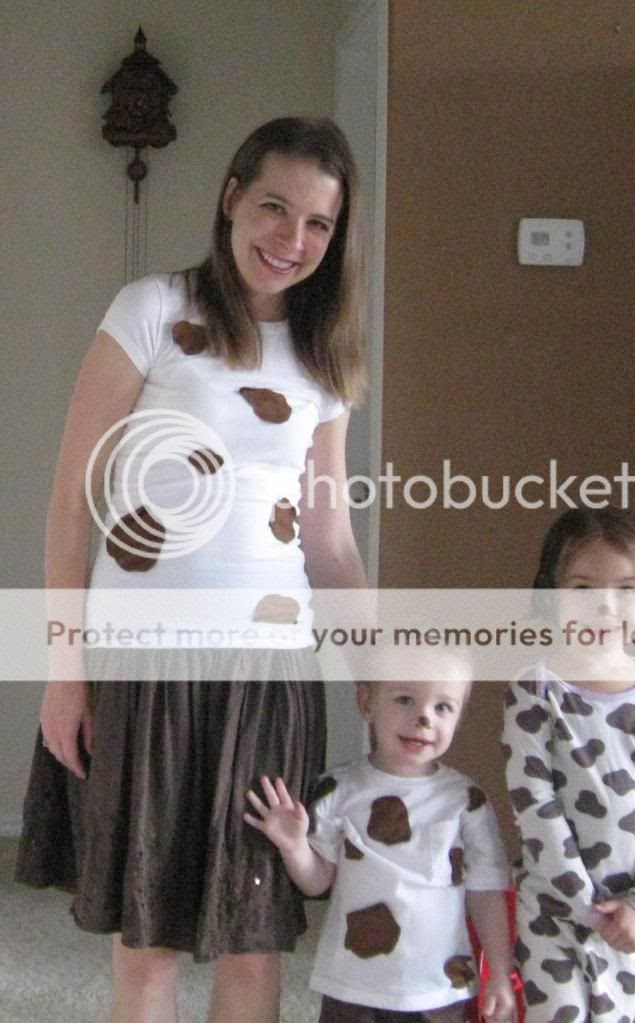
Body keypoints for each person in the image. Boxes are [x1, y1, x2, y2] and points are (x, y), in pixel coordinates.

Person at [15, 116, 369, 1023]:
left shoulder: (326, 358)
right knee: (151, 943)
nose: (291, 239)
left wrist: (376, 665)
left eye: (318, 223)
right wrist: (65, 671)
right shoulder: (151, 310)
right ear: (232, 198)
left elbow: (329, 539)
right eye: (275, 207)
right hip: (147, 665)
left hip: (268, 674)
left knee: (253, 940)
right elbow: (71, 502)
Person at [502, 507, 635, 1023]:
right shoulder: (534, 691)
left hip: (630, 915)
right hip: (552, 909)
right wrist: (583, 905)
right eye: (583, 588)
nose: (604, 606)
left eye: (626, 589)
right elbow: (533, 802)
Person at [245, 656, 517, 1023]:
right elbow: (317, 882)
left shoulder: (466, 800)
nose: (424, 718)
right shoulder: (338, 789)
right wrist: (293, 846)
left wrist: (499, 973)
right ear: (366, 703)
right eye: (405, 700)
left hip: (437, 985)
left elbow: (486, 893)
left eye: (442, 708)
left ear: (459, 717)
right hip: (352, 983)